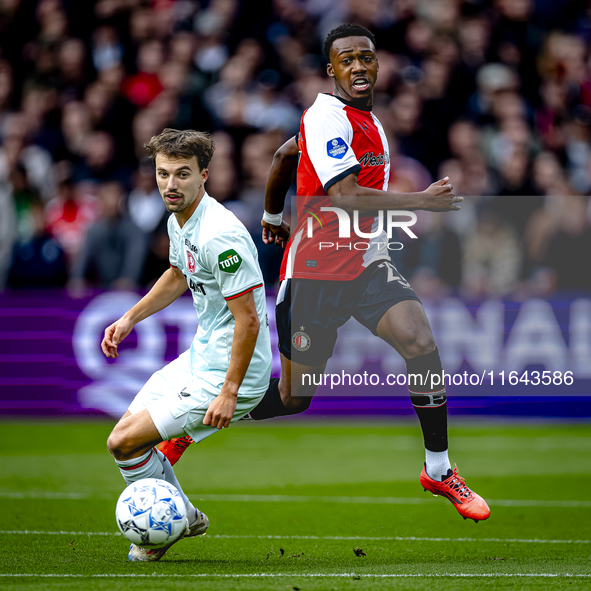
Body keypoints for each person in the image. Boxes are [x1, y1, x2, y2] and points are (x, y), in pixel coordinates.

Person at [161, 24, 489, 523]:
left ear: (378, 65)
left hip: (366, 266)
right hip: (314, 276)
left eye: (367, 57)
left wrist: (273, 214)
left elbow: (283, 156)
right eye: (347, 60)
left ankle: (439, 469)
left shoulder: (367, 122)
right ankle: (188, 426)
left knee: (420, 343)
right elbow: (345, 194)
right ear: (331, 69)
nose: (359, 66)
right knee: (293, 399)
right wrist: (421, 200)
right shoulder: (325, 117)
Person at [103, 128, 272, 561]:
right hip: (201, 356)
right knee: (128, 439)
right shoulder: (179, 218)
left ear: (204, 177)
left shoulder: (220, 234)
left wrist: (231, 391)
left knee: (122, 441)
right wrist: (129, 319)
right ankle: (182, 519)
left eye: (182, 174)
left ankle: (171, 524)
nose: (170, 184)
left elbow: (249, 319)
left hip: (229, 371)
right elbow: (179, 274)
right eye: (163, 174)